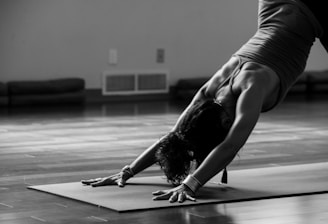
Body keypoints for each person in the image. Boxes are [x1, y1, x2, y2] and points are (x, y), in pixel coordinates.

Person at [82, 0, 328, 203]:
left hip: (309, 12)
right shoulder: (208, 93)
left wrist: (191, 185)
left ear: (223, 122)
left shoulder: (251, 89)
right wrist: (128, 171)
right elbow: (174, 137)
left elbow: (230, 145)